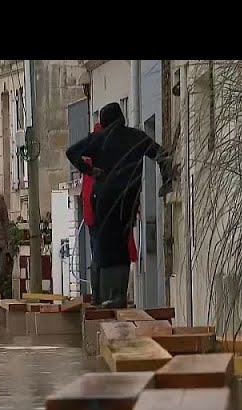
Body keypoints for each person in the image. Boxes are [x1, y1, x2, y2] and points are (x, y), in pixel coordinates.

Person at [67, 102, 173, 308]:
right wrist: (166, 180)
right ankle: (120, 295)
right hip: (129, 196)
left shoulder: (99, 139)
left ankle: (109, 296)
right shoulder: (136, 136)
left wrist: (89, 171)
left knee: (106, 244)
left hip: (106, 197)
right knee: (123, 240)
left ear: (104, 122)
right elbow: (161, 155)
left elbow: (71, 152)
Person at [82, 123, 138, 306]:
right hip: (104, 215)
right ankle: (109, 295)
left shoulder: (93, 154)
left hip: (96, 214)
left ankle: (100, 297)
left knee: (98, 254)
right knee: (106, 254)